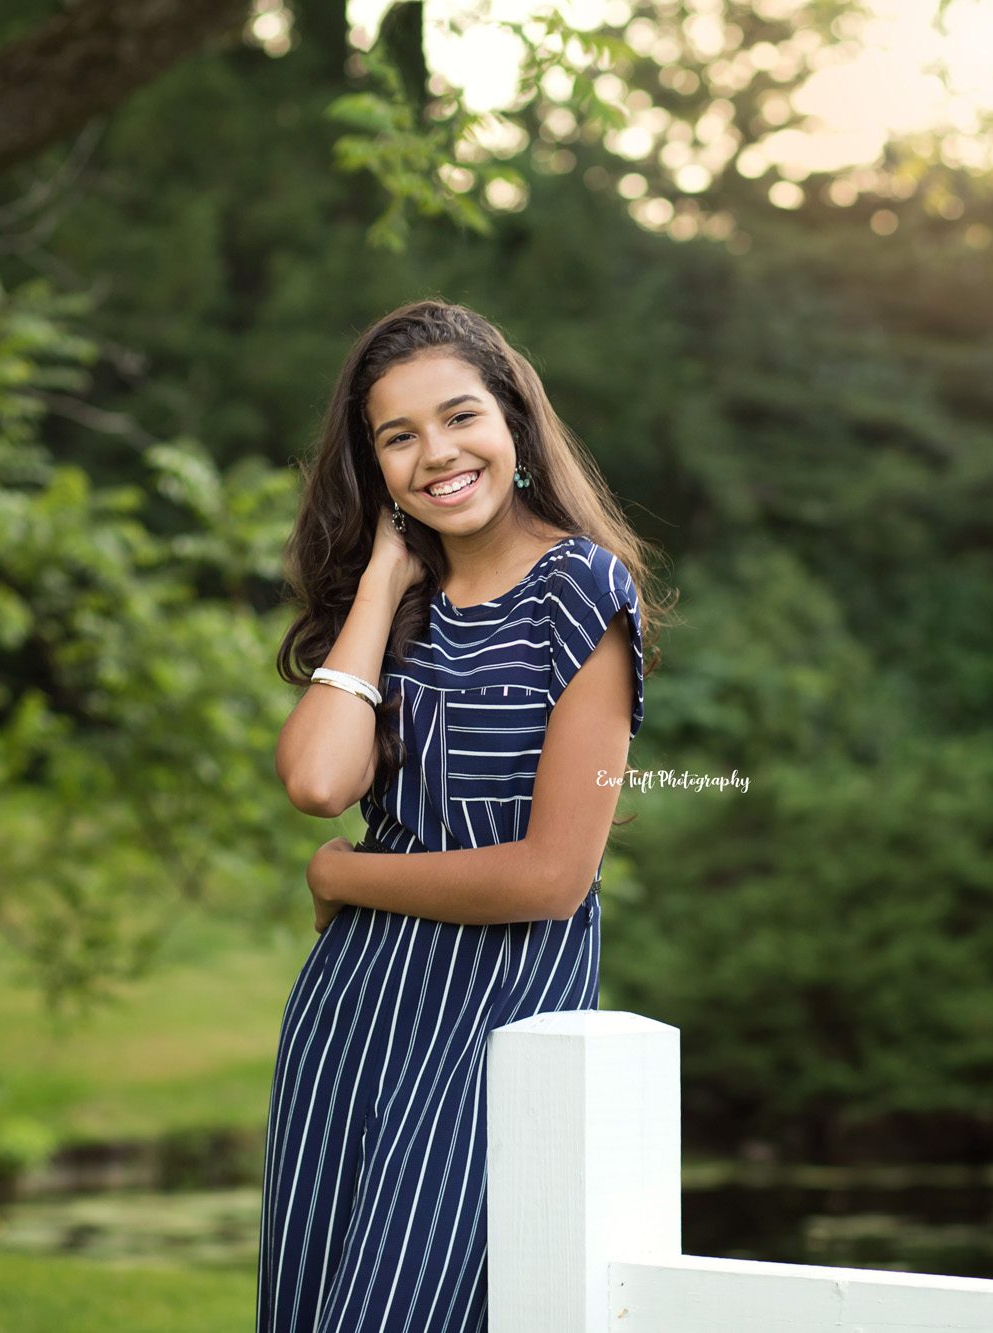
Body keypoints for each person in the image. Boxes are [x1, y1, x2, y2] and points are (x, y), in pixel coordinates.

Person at [257, 299, 663, 1331]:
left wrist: (341, 876)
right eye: (398, 437)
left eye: (458, 416)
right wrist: (386, 578)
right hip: (348, 1018)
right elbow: (314, 781)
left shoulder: (582, 591)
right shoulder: (400, 604)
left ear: (514, 423)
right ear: (373, 466)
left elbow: (550, 877)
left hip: (491, 1025)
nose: (435, 453)